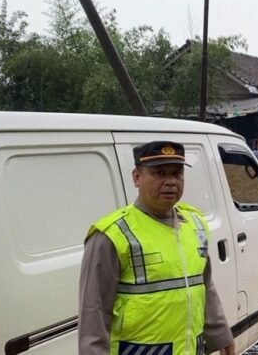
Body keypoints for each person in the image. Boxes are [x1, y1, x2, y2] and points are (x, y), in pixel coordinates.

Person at [78, 141, 235, 355]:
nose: (170, 182)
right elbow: (93, 313)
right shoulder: (112, 235)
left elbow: (204, 285)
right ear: (137, 177)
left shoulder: (195, 224)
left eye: (177, 174)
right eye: (159, 173)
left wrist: (220, 334)